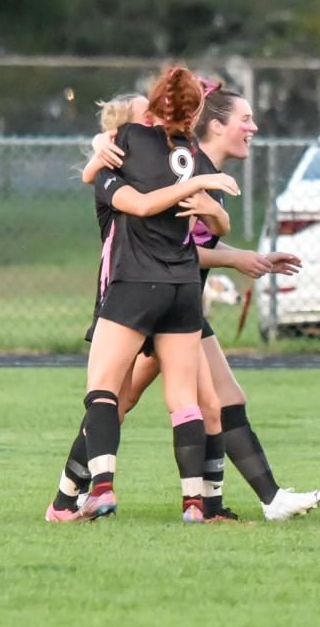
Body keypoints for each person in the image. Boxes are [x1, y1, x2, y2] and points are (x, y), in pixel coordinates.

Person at [119, 85, 320, 521]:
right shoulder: (191, 171)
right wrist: (238, 259)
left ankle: (262, 500)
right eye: (245, 119)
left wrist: (252, 259)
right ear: (215, 125)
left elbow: (191, 244)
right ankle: (76, 493)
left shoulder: (210, 177)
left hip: (183, 303)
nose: (253, 127)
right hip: (162, 302)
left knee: (207, 397)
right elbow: (167, 246)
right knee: (119, 398)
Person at [46, 90, 237, 522]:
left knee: (121, 396)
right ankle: (66, 498)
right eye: (144, 117)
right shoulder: (120, 171)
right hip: (150, 292)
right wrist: (197, 186)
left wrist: (207, 201)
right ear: (125, 134)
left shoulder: (172, 162)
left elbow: (214, 224)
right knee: (129, 400)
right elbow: (143, 201)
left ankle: (187, 502)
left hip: (147, 294)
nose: (155, 122)